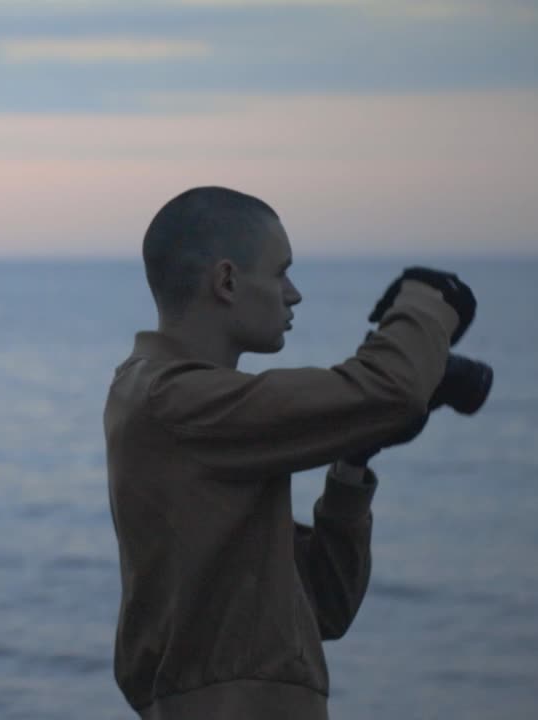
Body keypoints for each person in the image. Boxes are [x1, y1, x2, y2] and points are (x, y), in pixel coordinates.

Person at [103, 186, 476, 719]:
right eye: (281, 273)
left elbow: (324, 606)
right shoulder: (177, 401)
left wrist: (352, 463)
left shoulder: (185, 407)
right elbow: (391, 388)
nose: (294, 293)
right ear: (227, 281)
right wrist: (425, 299)